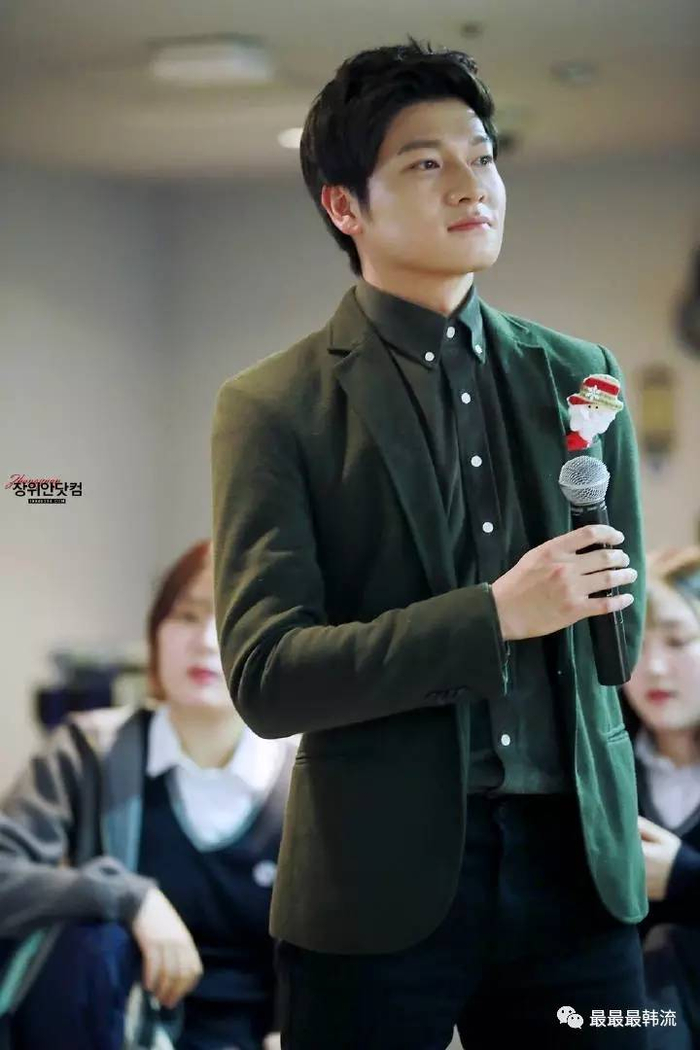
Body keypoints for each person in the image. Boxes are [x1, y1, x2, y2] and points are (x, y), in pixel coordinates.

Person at [210, 39, 650, 1049]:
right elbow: (268, 677)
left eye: (483, 156)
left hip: (579, 874)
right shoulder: (274, 406)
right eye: (426, 163)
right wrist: (491, 617)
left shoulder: (581, 376)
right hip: (372, 888)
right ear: (344, 206)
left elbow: (613, 644)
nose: (471, 185)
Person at [0, 539, 292, 1050]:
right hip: (111, 1032)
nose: (205, 641)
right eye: (186, 616)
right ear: (155, 634)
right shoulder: (89, 750)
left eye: (230, 618)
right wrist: (129, 898)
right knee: (94, 938)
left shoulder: (307, 777)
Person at [622, 547, 700, 1048]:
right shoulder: (602, 773)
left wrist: (683, 877)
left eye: (677, 641)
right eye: (633, 643)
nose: (652, 668)